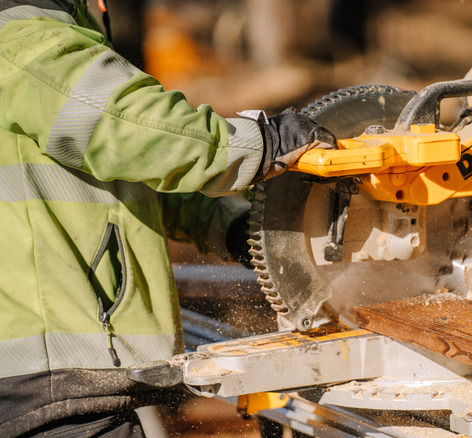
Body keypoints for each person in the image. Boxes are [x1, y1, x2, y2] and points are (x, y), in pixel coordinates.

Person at [0, 0, 336, 436]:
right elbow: (131, 126)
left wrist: (237, 227)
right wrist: (265, 142)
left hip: (48, 375)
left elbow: (138, 172)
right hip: (41, 372)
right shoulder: (23, 40)